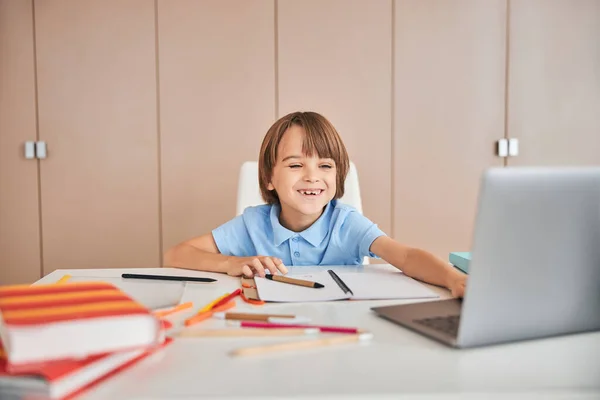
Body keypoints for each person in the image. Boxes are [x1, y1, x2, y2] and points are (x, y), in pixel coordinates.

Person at [164, 111, 467, 297]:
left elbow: (407, 257)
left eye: (325, 166)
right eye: (295, 165)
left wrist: (453, 279)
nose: (312, 177)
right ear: (269, 178)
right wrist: (230, 263)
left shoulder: (346, 223)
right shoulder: (252, 224)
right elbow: (176, 255)